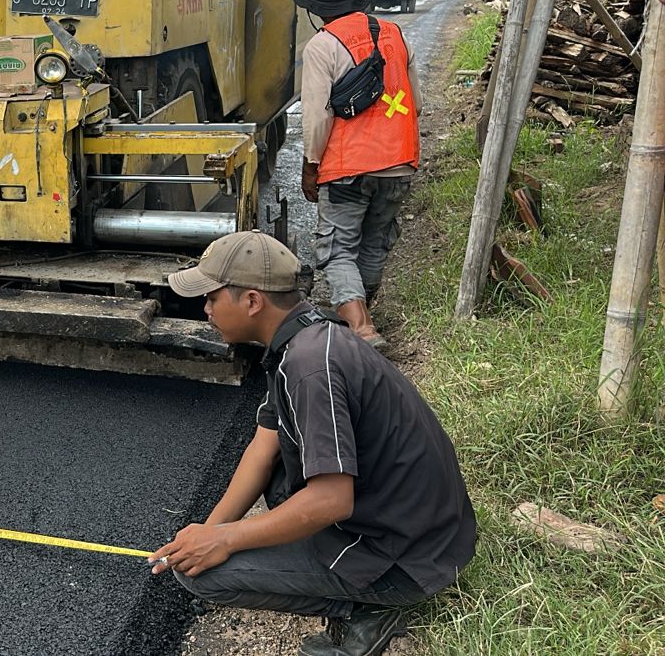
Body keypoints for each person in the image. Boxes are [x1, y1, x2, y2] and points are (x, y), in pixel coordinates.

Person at [151, 230, 476, 656]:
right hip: (418, 527)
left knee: (202, 577)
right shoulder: (304, 336)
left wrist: (226, 542)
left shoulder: (308, 370)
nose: (206, 309)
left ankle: (371, 607)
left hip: (408, 559)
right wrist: (210, 532)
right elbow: (261, 450)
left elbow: (331, 503)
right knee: (275, 485)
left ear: (252, 301)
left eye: (212, 298)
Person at [295, 0, 420, 348]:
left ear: (318, 10)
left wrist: (310, 166)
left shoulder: (322, 46)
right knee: (374, 240)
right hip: (398, 162)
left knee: (338, 249)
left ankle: (362, 328)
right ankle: (363, 312)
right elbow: (418, 101)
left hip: (348, 167)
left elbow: (317, 117)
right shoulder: (395, 33)